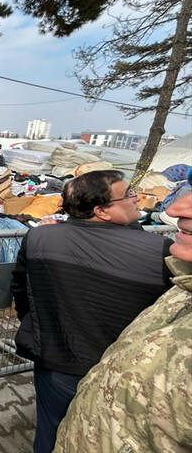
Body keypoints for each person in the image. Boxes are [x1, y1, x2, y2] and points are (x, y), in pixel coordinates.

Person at [11, 170, 174, 453]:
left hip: (55, 362)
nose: (138, 198)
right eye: (129, 194)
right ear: (101, 211)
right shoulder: (160, 250)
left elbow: (22, 293)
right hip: (123, 372)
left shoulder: (39, 238)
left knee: (50, 431)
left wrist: (40, 328)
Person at [55, 191, 192, 453]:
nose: (174, 209)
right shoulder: (178, 276)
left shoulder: (168, 256)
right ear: (101, 211)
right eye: (128, 195)